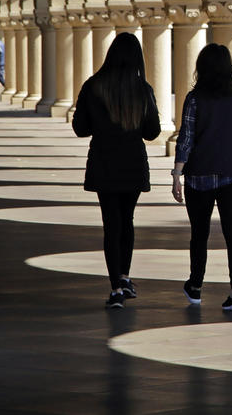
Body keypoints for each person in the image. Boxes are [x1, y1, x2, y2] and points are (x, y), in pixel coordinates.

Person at [72, 33, 161, 309]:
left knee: (111, 223)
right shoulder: (142, 89)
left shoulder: (93, 85)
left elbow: (80, 128)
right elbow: (153, 131)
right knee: (127, 220)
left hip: (104, 162)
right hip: (133, 163)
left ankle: (115, 287)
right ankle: (124, 276)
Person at [171, 43, 232, 312]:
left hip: (200, 175)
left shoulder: (195, 99)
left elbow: (186, 138)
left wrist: (177, 174)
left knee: (200, 234)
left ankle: (196, 286)